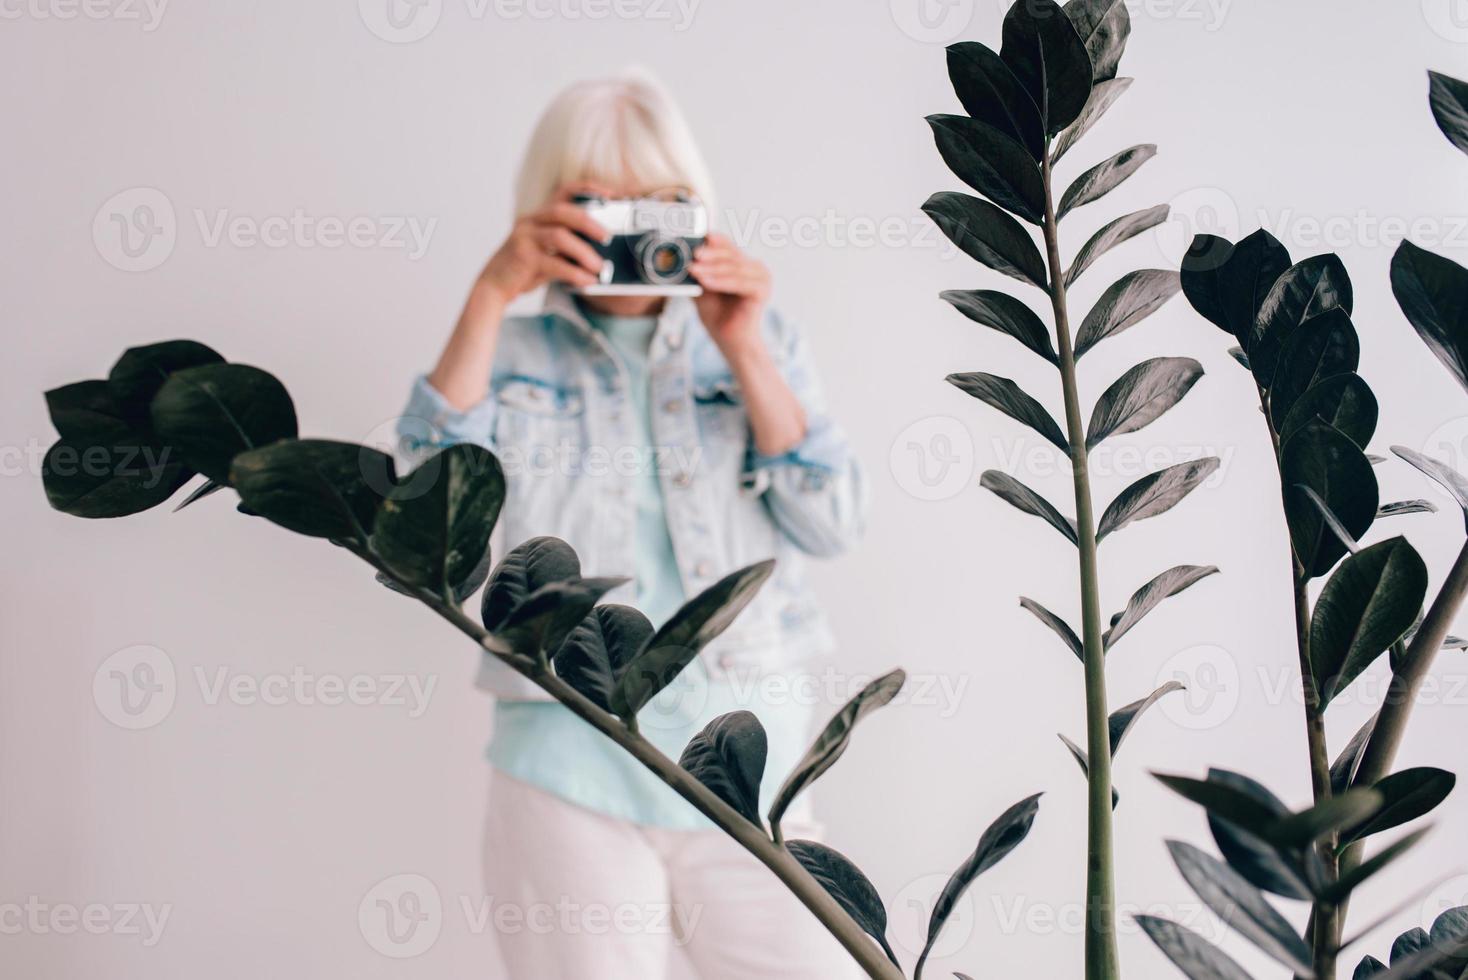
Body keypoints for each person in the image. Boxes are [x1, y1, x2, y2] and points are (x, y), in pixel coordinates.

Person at [397, 67, 867, 979]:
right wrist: (492, 293)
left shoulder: (763, 342)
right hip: (566, 759)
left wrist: (743, 344)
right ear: (545, 209)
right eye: (596, 203)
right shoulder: (509, 353)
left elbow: (833, 521)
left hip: (749, 762)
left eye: (663, 203)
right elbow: (418, 518)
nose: (629, 229)